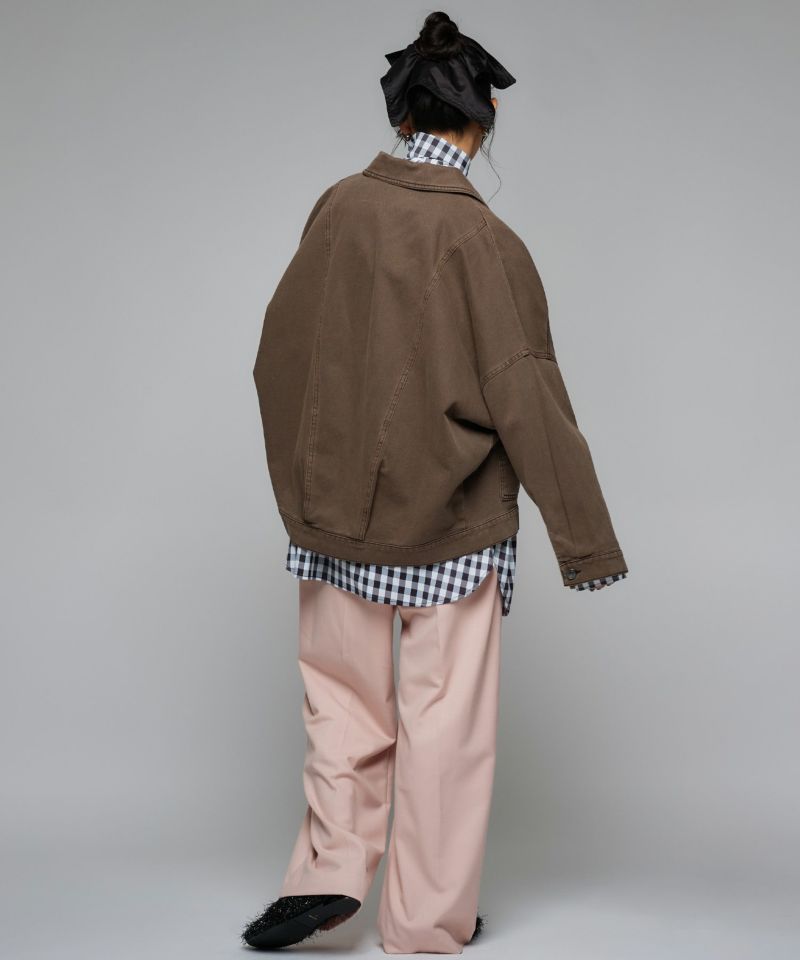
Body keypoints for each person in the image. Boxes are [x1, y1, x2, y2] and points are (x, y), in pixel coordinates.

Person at [241, 10, 628, 954]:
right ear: (482, 121)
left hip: (333, 521)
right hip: (448, 527)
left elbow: (278, 355)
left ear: (403, 113)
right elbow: (526, 393)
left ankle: (329, 874)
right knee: (444, 727)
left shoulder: (337, 207)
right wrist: (586, 543)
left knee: (340, 706)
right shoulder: (483, 240)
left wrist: (306, 486)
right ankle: (423, 920)